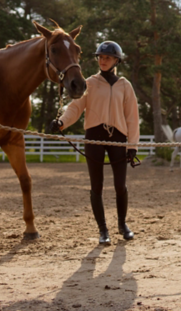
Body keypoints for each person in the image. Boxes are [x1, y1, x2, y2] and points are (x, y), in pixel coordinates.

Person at [49, 41, 140, 246]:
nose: (103, 60)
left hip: (118, 138)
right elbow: (75, 107)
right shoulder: (89, 82)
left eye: (107, 57)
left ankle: (122, 225)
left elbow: (132, 117)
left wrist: (132, 145)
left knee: (120, 185)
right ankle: (103, 230)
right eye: (100, 57)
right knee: (96, 185)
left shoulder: (125, 85)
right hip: (94, 137)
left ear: (116, 60)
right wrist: (61, 122)